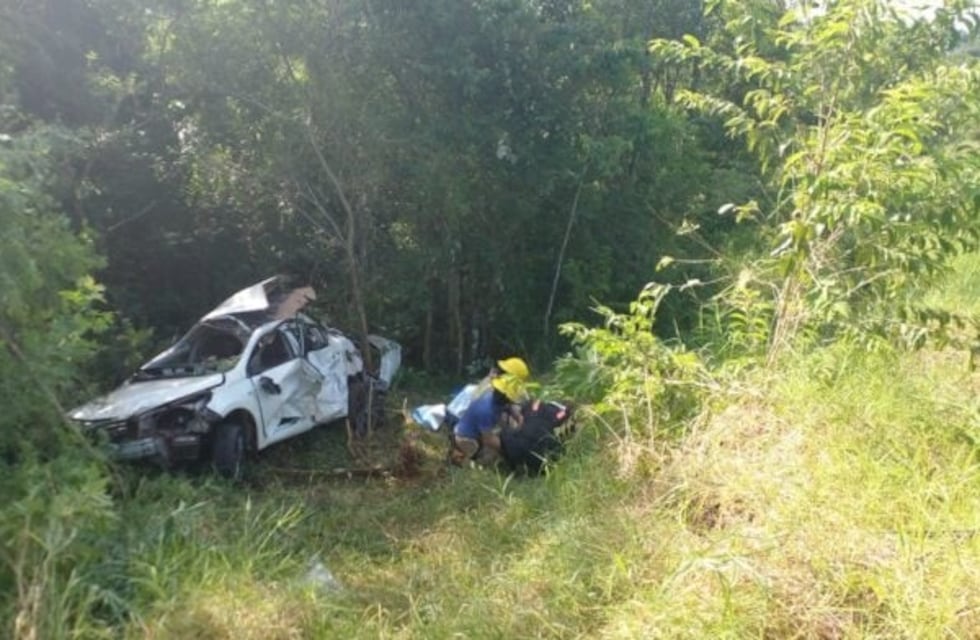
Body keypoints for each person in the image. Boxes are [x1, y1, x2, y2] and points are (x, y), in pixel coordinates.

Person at [450, 357, 530, 466]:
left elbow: (511, 409)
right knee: (492, 459)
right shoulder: (486, 408)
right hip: (467, 438)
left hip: (479, 428)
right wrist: (508, 449)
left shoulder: (499, 396)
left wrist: (520, 422)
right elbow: (489, 439)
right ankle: (463, 458)